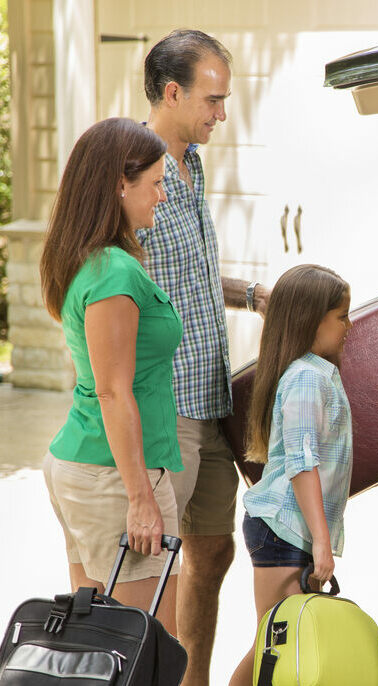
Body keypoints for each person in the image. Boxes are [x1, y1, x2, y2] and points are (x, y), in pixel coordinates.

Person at [139, 30, 269, 685]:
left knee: (211, 553)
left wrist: (253, 294)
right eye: (213, 101)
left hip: (211, 397)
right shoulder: (129, 170)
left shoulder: (192, 163)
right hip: (163, 405)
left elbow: (189, 272)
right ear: (172, 92)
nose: (222, 114)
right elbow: (98, 287)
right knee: (148, 569)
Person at [40, 118, 180, 634]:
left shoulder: (95, 262)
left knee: (96, 649)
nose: (162, 196)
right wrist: (141, 497)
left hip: (86, 466)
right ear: (121, 184)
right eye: (157, 182)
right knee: (150, 652)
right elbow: (113, 389)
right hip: (112, 478)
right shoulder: (114, 274)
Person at [228, 264, 353, 686]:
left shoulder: (318, 372)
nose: (349, 325)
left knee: (284, 641)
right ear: (312, 321)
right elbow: (302, 464)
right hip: (283, 529)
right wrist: (321, 542)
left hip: (292, 529)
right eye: (341, 316)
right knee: (274, 641)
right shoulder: (305, 378)